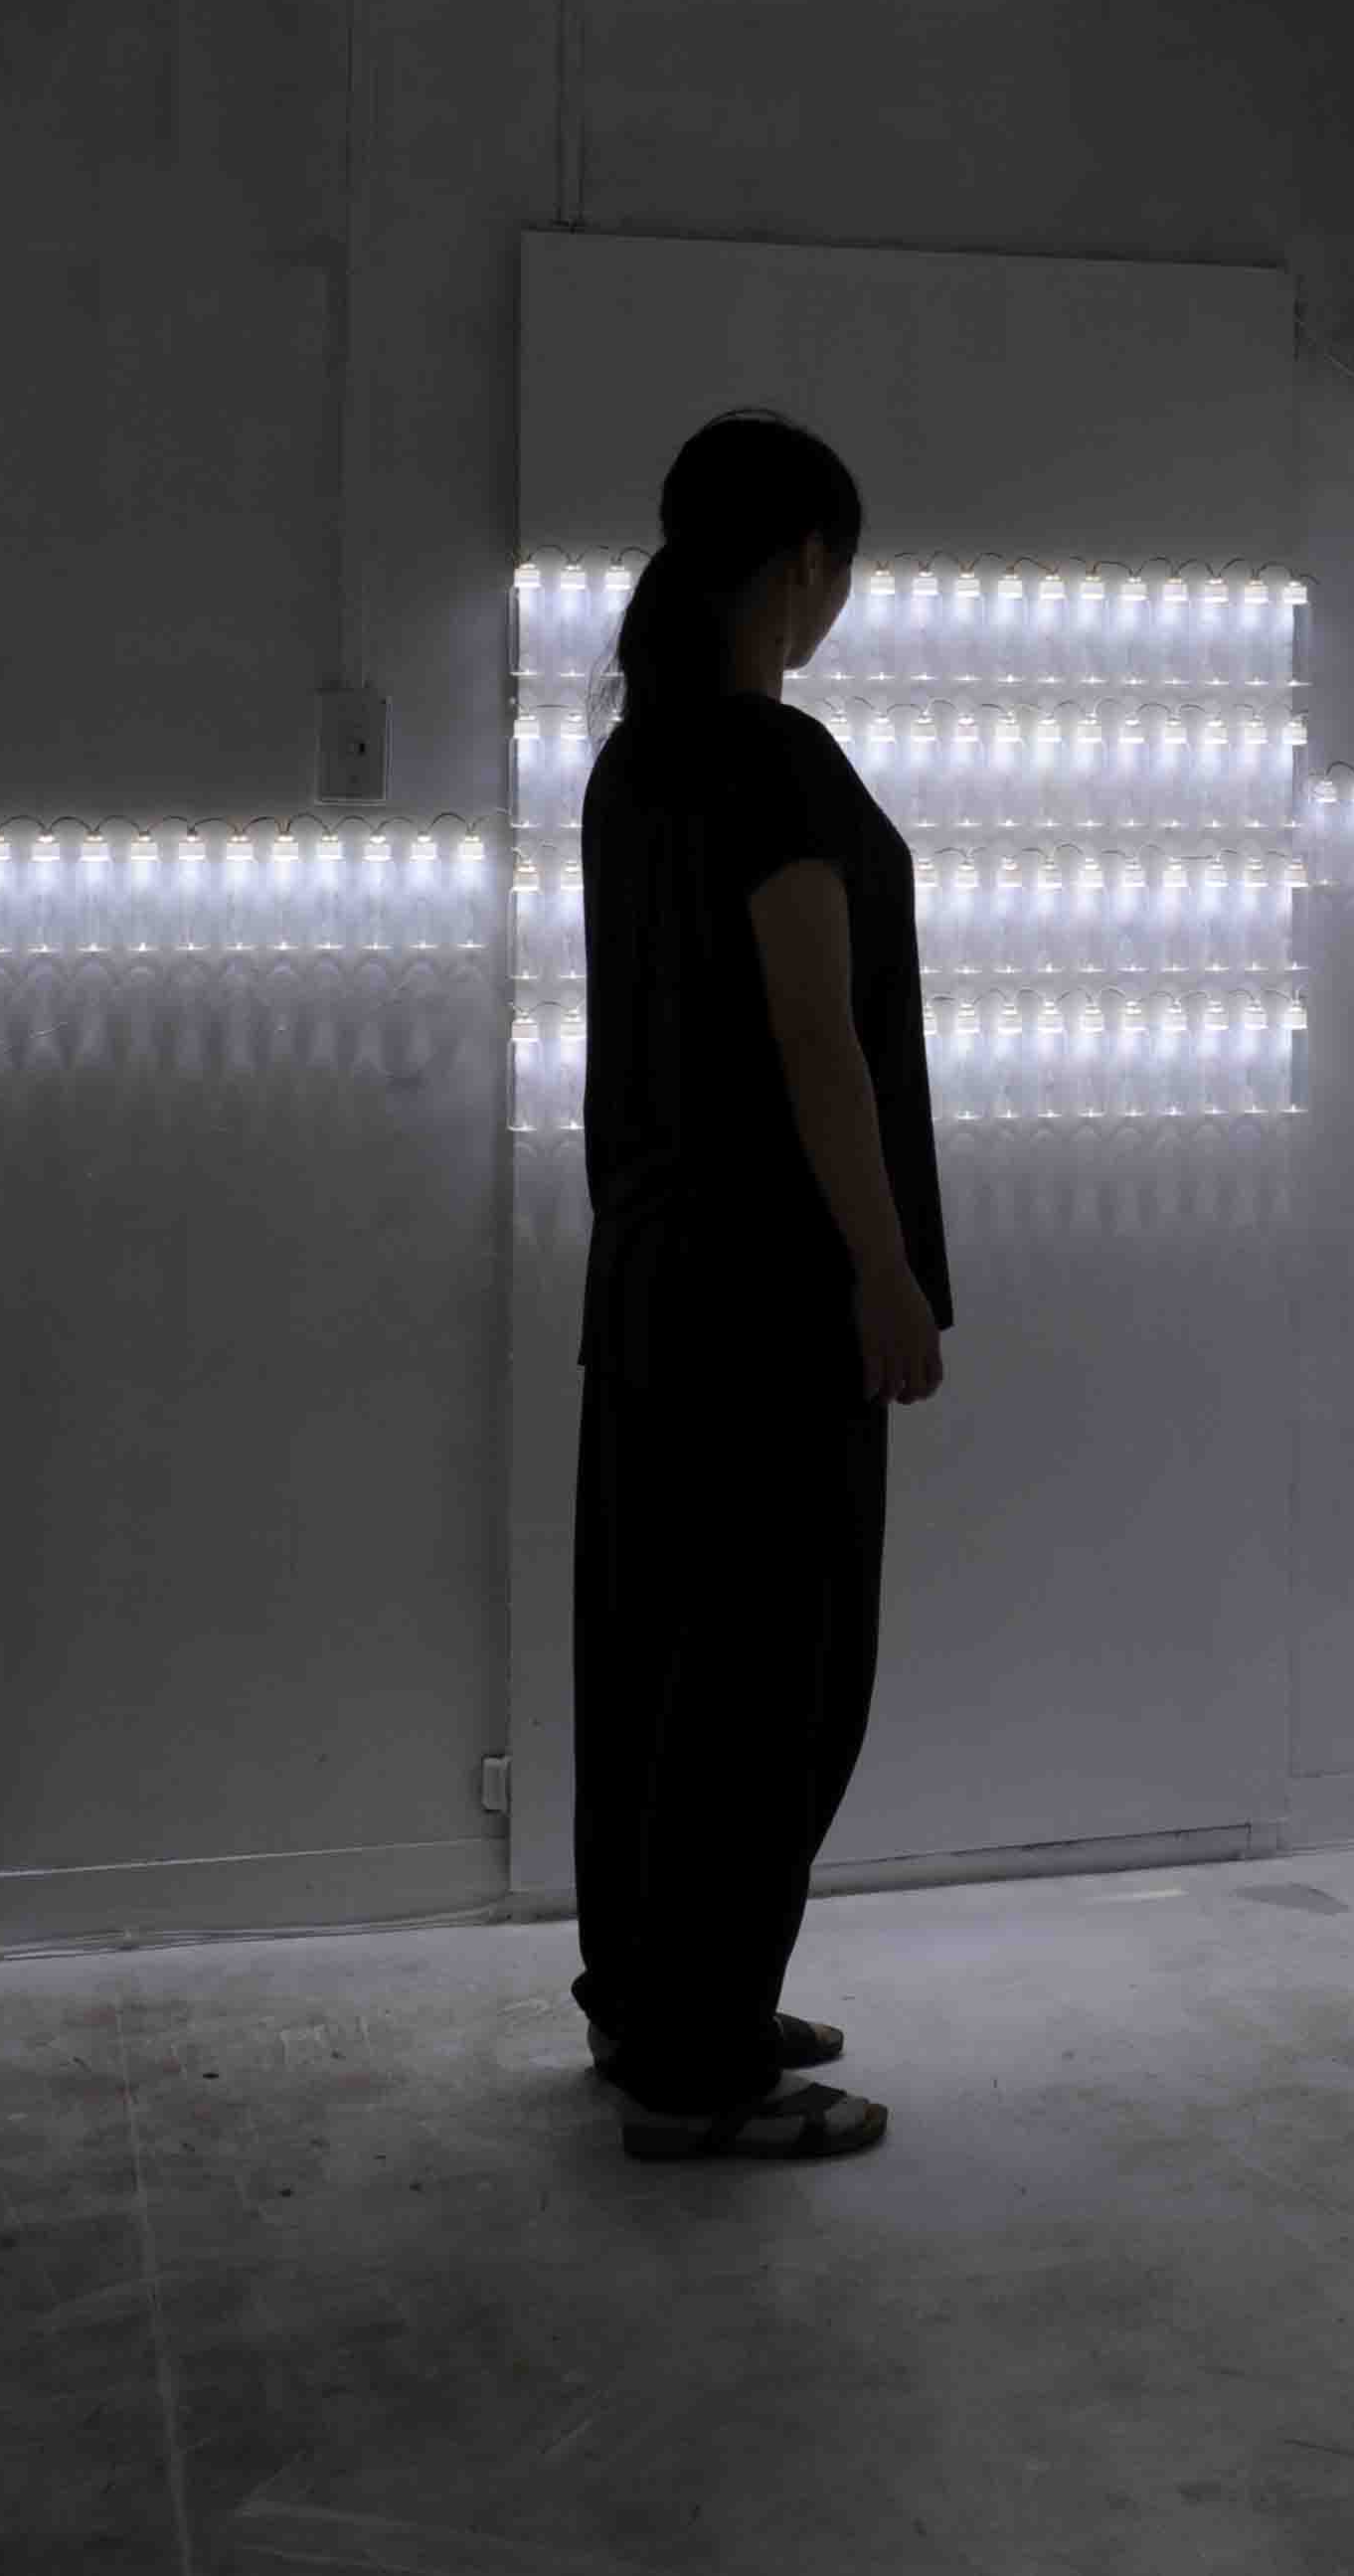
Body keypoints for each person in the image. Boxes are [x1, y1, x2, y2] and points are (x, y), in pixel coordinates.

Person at [569, 407, 953, 2162]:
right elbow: (815, 1039)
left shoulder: (634, 762)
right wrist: (883, 1270)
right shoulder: (776, 763)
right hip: (774, 1299)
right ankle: (702, 2069)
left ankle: (655, 2001)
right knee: (769, 1686)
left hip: (654, 1286)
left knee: (654, 1660)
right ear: (807, 559)